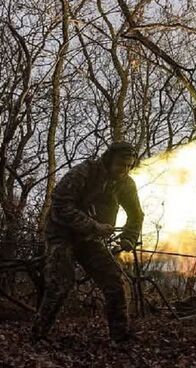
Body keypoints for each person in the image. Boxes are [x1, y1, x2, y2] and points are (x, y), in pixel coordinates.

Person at [32, 142, 144, 343]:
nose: (124, 169)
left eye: (129, 165)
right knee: (60, 283)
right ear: (109, 160)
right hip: (61, 234)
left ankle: (120, 337)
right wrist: (94, 226)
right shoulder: (84, 172)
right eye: (121, 164)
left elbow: (136, 215)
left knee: (114, 280)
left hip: (90, 239)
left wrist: (129, 238)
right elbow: (60, 203)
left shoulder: (126, 184)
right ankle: (38, 335)